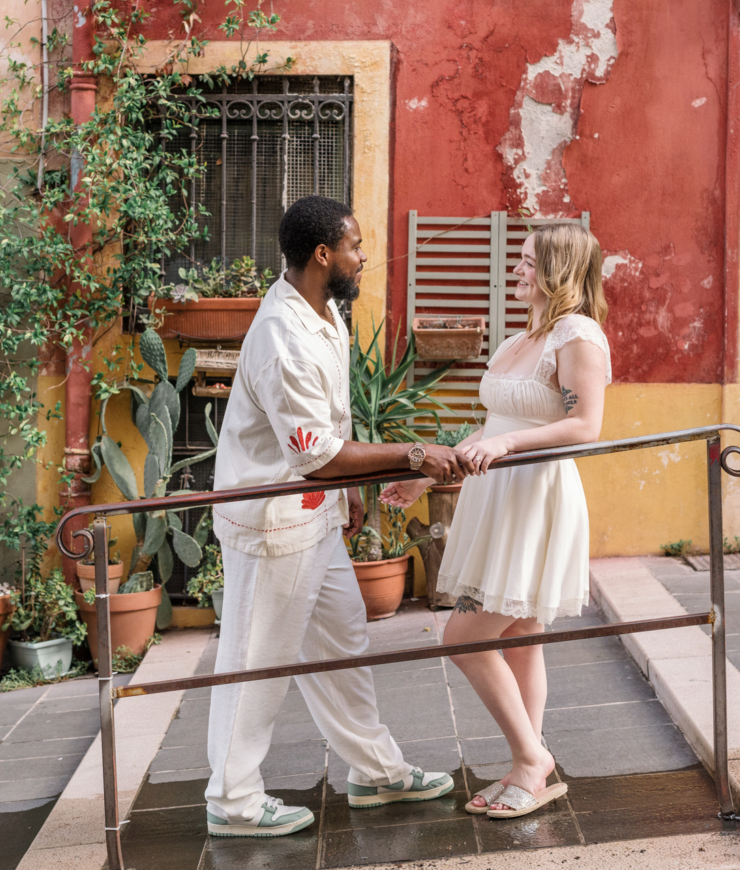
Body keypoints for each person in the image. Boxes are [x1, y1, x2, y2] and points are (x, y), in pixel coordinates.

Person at [204, 195, 475, 838]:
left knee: (342, 642)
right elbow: (317, 454)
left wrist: (349, 489)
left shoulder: (325, 312)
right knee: (257, 660)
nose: (364, 256)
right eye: (355, 245)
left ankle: (374, 771)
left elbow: (331, 419)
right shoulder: (281, 336)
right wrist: (411, 454)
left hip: (316, 514)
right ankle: (233, 800)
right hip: (272, 522)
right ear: (323, 254)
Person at [383, 222, 611, 821]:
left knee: (464, 635)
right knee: (519, 639)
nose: (517, 270)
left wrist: (508, 451)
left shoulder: (578, 335)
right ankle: (528, 767)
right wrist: (430, 472)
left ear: (559, 272)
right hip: (497, 500)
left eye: (529, 262)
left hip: (536, 500)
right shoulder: (520, 338)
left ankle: (531, 760)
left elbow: (586, 427)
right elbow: (495, 428)